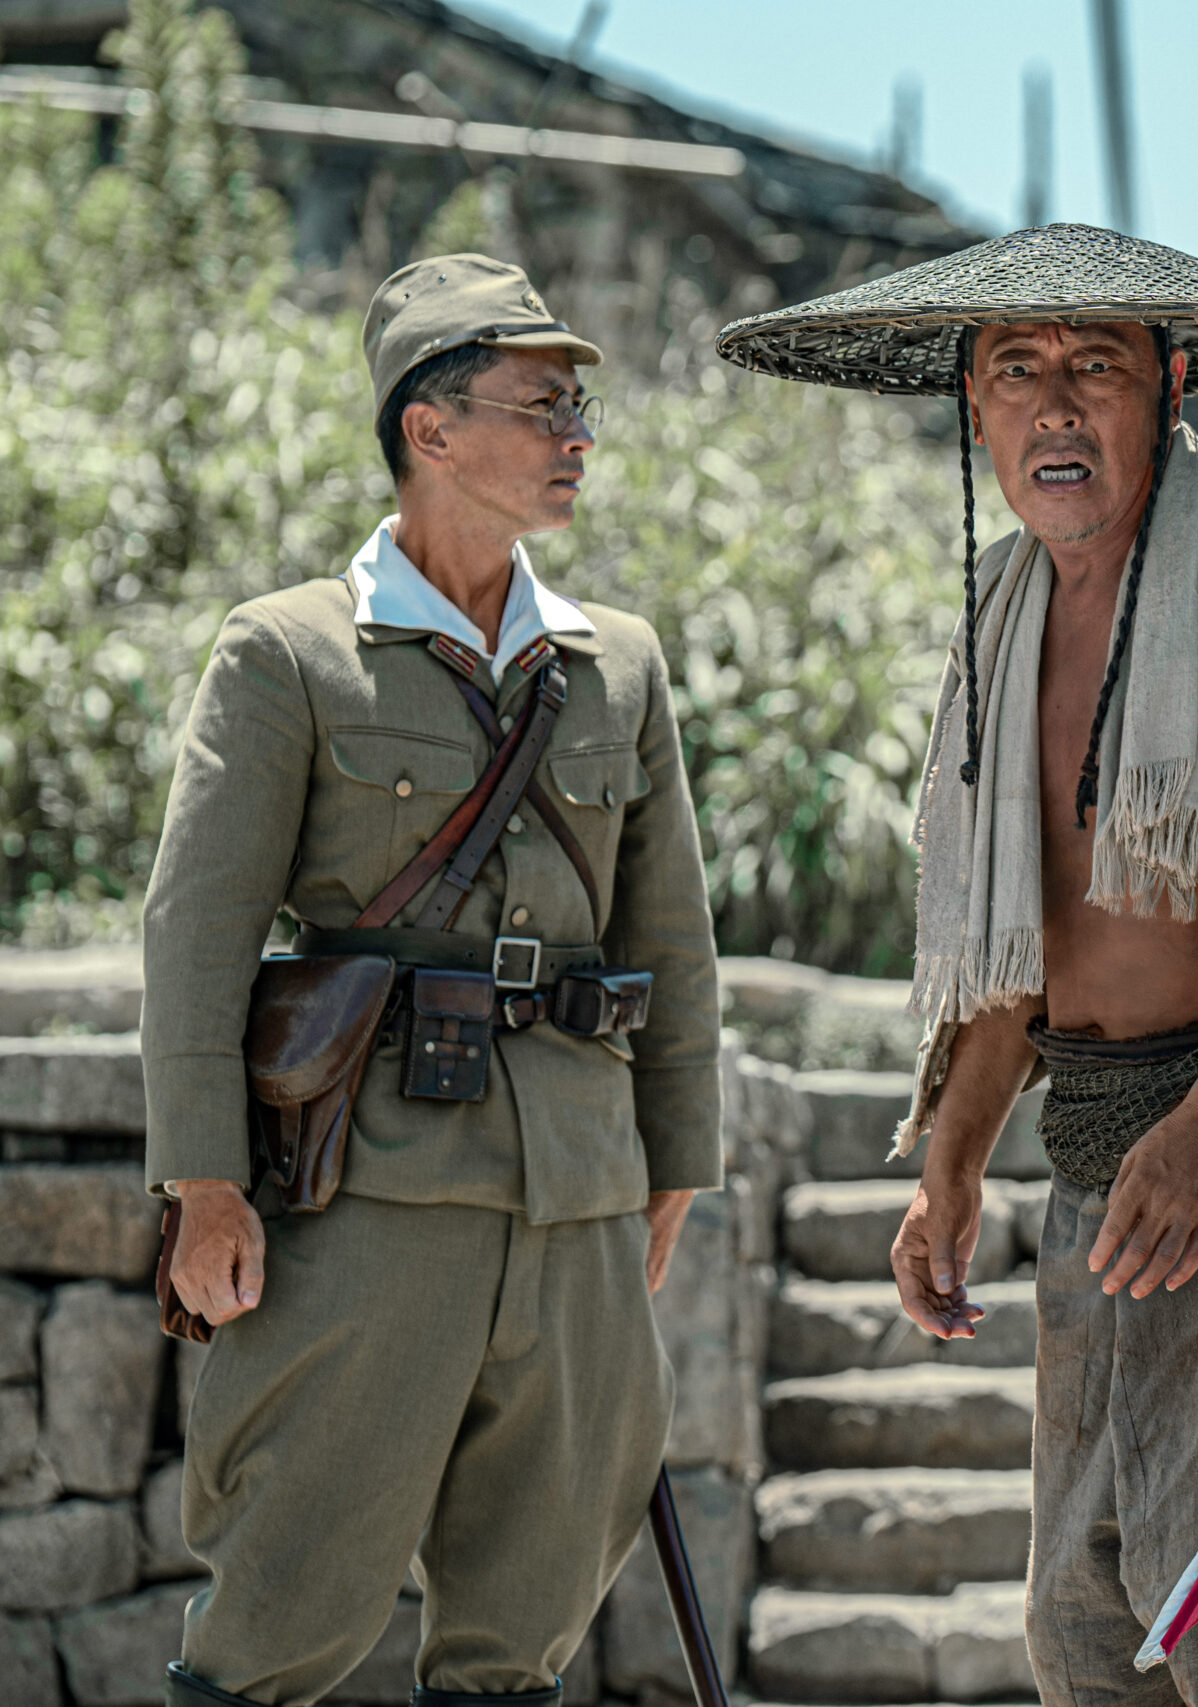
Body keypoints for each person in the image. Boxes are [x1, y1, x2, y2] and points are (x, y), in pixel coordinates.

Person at [719, 224, 1198, 1706]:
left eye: (1096, 367)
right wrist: (949, 1162)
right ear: (972, 405)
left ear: (1170, 387)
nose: (1056, 406)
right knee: (1087, 1622)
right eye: (1017, 370)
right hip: (1093, 1172)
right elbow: (1020, 935)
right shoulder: (1000, 612)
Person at [142, 254, 722, 1707]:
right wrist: (203, 1183)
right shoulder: (289, 654)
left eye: (580, 408)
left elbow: (670, 936)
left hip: (578, 1197)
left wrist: (673, 1164)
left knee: (524, 1631)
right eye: (541, 406)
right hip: (367, 1198)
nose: (576, 436)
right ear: (431, 428)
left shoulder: (617, 666)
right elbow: (197, 934)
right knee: (282, 1605)